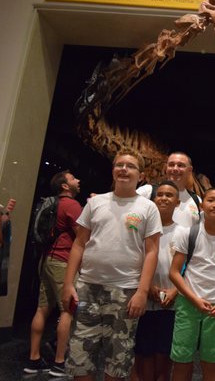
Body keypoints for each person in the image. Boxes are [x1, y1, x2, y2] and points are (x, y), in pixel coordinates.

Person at [62, 149, 162, 381]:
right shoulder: (96, 202)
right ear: (113, 170)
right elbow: (79, 243)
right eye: (119, 164)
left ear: (141, 175)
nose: (124, 169)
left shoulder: (148, 208)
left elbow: (152, 252)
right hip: (87, 287)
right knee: (80, 357)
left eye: (130, 166)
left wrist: (142, 291)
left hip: (125, 291)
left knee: (118, 359)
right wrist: (69, 284)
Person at [168, 187, 215, 381]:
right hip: (188, 304)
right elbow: (174, 272)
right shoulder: (188, 233)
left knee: (211, 364)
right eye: (211, 200)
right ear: (202, 205)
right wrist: (194, 299)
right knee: (181, 361)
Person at [23, 171, 82, 376]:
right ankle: (59, 362)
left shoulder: (52, 203)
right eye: (74, 179)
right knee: (68, 310)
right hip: (63, 262)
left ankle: (34, 359)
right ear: (65, 186)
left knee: (42, 309)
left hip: (47, 259)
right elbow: (83, 236)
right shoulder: (71, 205)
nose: (78, 181)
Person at [134, 180, 183, 381]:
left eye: (169, 195)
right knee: (143, 351)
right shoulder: (141, 229)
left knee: (165, 351)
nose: (163, 198)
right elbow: (134, 260)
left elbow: (189, 267)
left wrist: (175, 291)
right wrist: (147, 287)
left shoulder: (184, 232)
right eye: (160, 194)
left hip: (172, 302)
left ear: (177, 203)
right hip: (145, 299)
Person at [137, 152, 201, 228]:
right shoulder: (147, 192)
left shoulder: (197, 200)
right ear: (166, 168)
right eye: (171, 165)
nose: (175, 169)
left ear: (190, 170)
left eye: (180, 165)